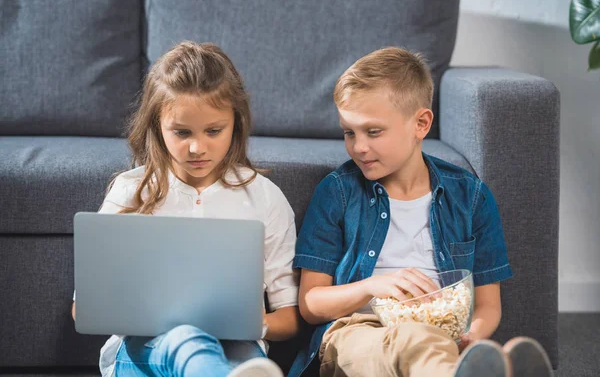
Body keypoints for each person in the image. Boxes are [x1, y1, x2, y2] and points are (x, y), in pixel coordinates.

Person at [289, 47, 553, 377]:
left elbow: (487, 305)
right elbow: (311, 304)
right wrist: (373, 285)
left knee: (436, 346)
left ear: (421, 124)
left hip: (446, 335)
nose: (358, 146)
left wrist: (471, 337)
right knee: (416, 343)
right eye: (349, 132)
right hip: (356, 334)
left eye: (373, 131)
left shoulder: (470, 197)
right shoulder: (337, 192)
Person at [72, 41, 300, 377]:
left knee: (231, 355)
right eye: (181, 132)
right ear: (157, 126)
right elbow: (85, 309)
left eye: (213, 131)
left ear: (235, 123)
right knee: (185, 339)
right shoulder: (131, 191)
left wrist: (255, 323)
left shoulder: (264, 198)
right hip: (146, 352)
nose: (197, 147)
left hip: (235, 351)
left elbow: (290, 318)